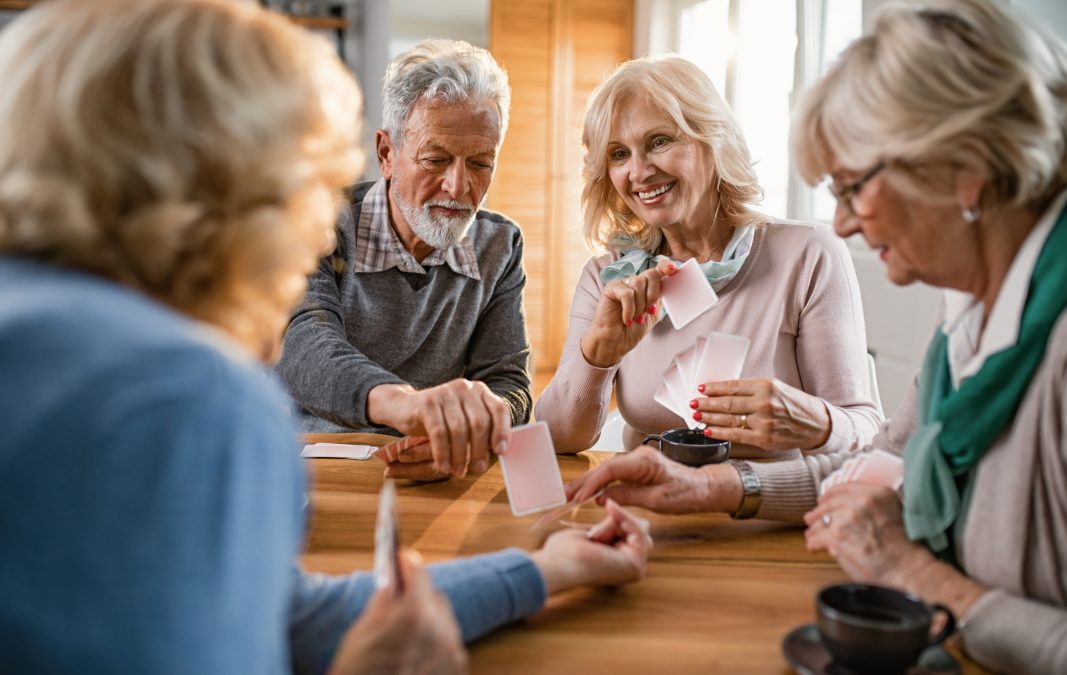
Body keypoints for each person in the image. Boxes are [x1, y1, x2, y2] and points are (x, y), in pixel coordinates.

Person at [0, 2, 652, 673]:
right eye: (299, 185)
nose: (313, 228)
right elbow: (302, 344)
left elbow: (287, 613)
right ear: (211, 186)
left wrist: (542, 570)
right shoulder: (191, 401)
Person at [566, 1, 1067, 672]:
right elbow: (876, 467)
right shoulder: (969, 314)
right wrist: (711, 489)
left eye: (855, 186)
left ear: (965, 168)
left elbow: (869, 459)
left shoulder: (1060, 341)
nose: (841, 224)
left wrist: (915, 571)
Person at [535, 55, 882, 459]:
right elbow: (556, 440)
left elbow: (865, 432)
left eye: (659, 142)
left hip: (770, 512)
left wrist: (812, 420)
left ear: (713, 140)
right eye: (618, 154)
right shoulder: (607, 278)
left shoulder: (807, 255)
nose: (639, 171)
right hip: (647, 509)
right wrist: (598, 355)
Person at [276, 39, 530, 481]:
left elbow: (510, 385)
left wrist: (471, 430)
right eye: (435, 160)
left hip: (430, 470)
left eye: (481, 163)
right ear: (387, 154)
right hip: (310, 461)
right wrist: (408, 404)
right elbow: (303, 342)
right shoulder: (320, 220)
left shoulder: (500, 245)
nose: (458, 186)